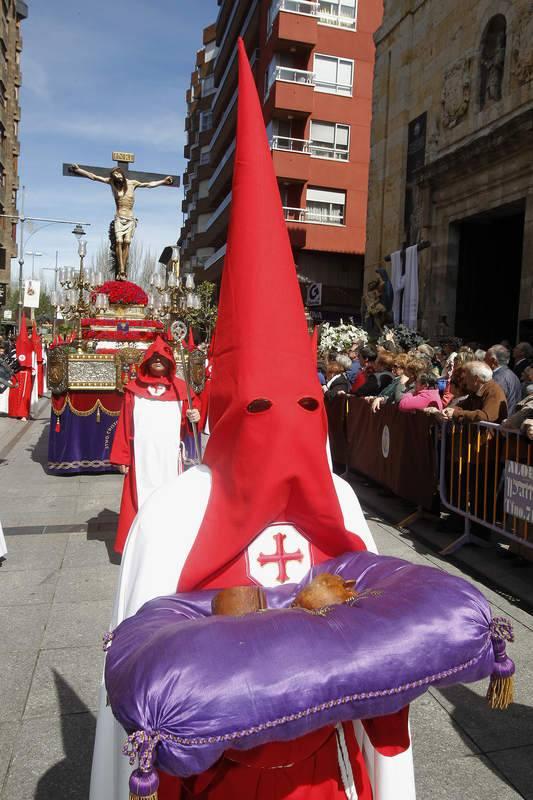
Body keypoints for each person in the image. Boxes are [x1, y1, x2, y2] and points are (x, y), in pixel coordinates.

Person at [89, 41, 415, 800]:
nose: (284, 426)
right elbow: (142, 686)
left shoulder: (338, 501)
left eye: (305, 406)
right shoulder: (174, 517)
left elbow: (383, 655)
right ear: (228, 411)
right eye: (260, 409)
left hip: (320, 775)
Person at [110, 336, 201, 554]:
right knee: (139, 499)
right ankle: (139, 548)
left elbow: (192, 422)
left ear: (170, 363)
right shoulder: (133, 390)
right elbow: (125, 424)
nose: (158, 361)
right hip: (142, 457)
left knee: (170, 500)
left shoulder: (182, 390)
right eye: (154, 357)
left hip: (169, 457)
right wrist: (122, 457)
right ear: (147, 361)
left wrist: (194, 416)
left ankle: (169, 544)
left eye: (163, 358)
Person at [70, 163, 173, 278]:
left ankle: (122, 270)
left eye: (118, 173)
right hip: (119, 217)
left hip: (130, 218)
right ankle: (121, 268)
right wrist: (79, 170)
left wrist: (163, 181)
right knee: (119, 241)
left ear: (122, 173)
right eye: (114, 174)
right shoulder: (112, 183)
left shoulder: (132, 183)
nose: (117, 176)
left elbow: (149, 184)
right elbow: (94, 177)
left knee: (127, 242)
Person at [439, 361, 508, 423]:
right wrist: (451, 410)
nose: (464, 381)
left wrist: (455, 414)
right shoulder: (476, 391)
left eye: (466, 377)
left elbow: (486, 416)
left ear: (476, 379)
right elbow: (463, 406)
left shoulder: (493, 391)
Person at [7, 316, 34, 421]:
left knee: (24, 394)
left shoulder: (26, 342)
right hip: (21, 372)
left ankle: (23, 412)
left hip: (25, 371)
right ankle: (21, 413)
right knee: (21, 393)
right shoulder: (21, 343)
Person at [484, 345, 521, 415]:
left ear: (493, 361)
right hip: (510, 420)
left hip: (501, 423)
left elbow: (493, 406)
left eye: (485, 359)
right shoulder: (513, 375)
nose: (483, 362)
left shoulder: (497, 379)